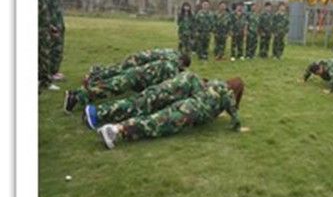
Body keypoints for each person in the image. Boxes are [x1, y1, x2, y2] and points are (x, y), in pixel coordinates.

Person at [97, 77, 244, 149]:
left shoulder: (216, 82)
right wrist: (239, 128)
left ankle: (116, 127)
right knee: (155, 124)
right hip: (189, 114)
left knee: (155, 118)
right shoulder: (229, 96)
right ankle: (115, 130)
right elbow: (235, 118)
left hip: (185, 104)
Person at [63, 52, 191, 112]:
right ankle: (76, 97)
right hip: (135, 78)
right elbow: (166, 86)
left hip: (135, 74)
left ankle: (77, 93)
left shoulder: (169, 60)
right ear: (181, 64)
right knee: (109, 88)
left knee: (109, 85)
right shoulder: (171, 69)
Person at [83, 70, 207, 129]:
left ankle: (102, 115)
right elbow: (197, 101)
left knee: (132, 106)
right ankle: (96, 112)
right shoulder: (196, 83)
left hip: (156, 91)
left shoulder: (187, 75)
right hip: (158, 97)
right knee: (131, 106)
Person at [47, 0, 67, 82]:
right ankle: (50, 73)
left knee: (57, 51)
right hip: (53, 29)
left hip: (58, 28)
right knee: (53, 51)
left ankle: (54, 71)